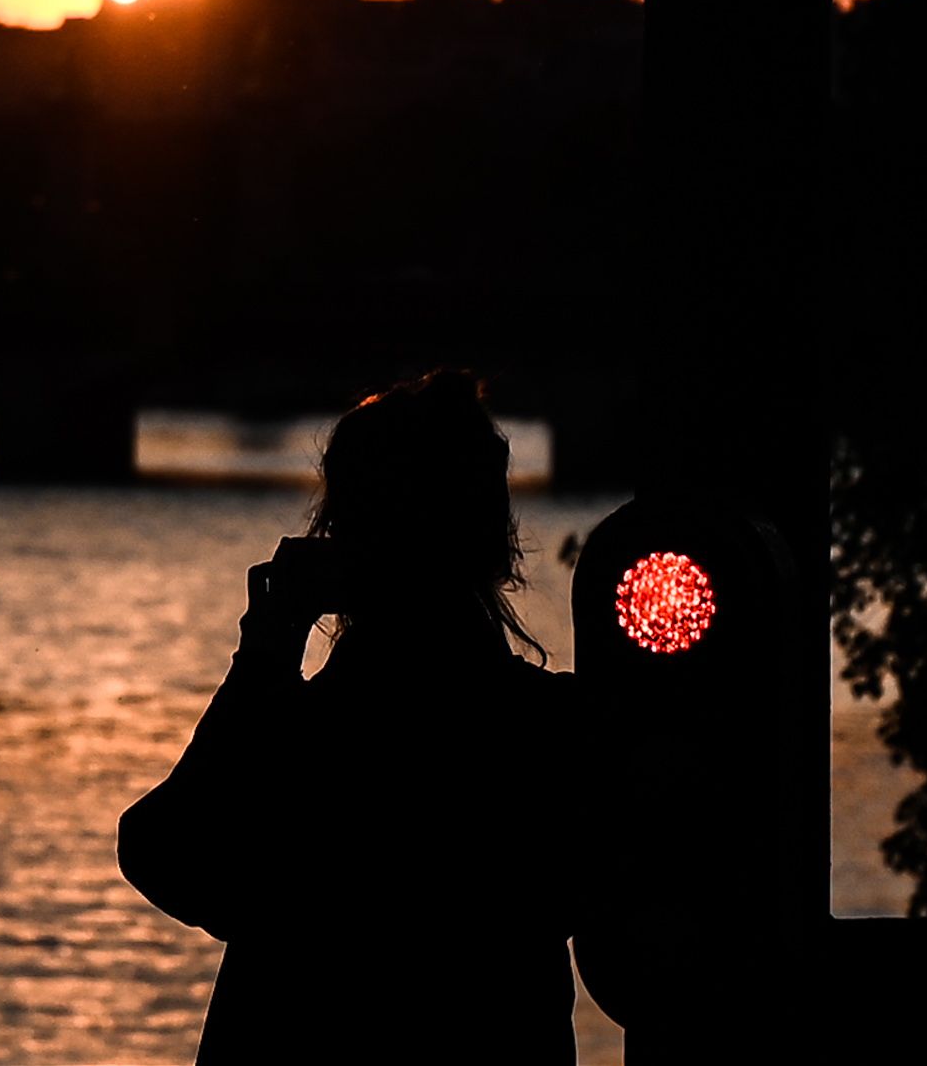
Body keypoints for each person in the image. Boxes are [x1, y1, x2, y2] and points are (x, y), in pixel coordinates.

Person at [118, 368, 596, 1061]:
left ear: (342, 543)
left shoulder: (297, 745)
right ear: (495, 542)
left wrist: (266, 652)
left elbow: (163, 848)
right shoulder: (557, 732)